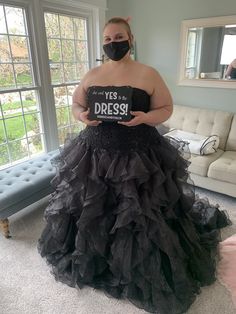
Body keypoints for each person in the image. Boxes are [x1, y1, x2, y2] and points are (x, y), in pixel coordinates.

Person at [38, 17, 231, 314]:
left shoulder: (148, 73)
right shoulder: (92, 74)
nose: (112, 43)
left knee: (142, 212)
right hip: (94, 152)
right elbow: (77, 104)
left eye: (118, 37)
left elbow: (166, 108)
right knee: (94, 208)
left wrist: (143, 118)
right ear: (102, 43)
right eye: (107, 39)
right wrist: (82, 117)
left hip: (138, 154)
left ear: (131, 38)